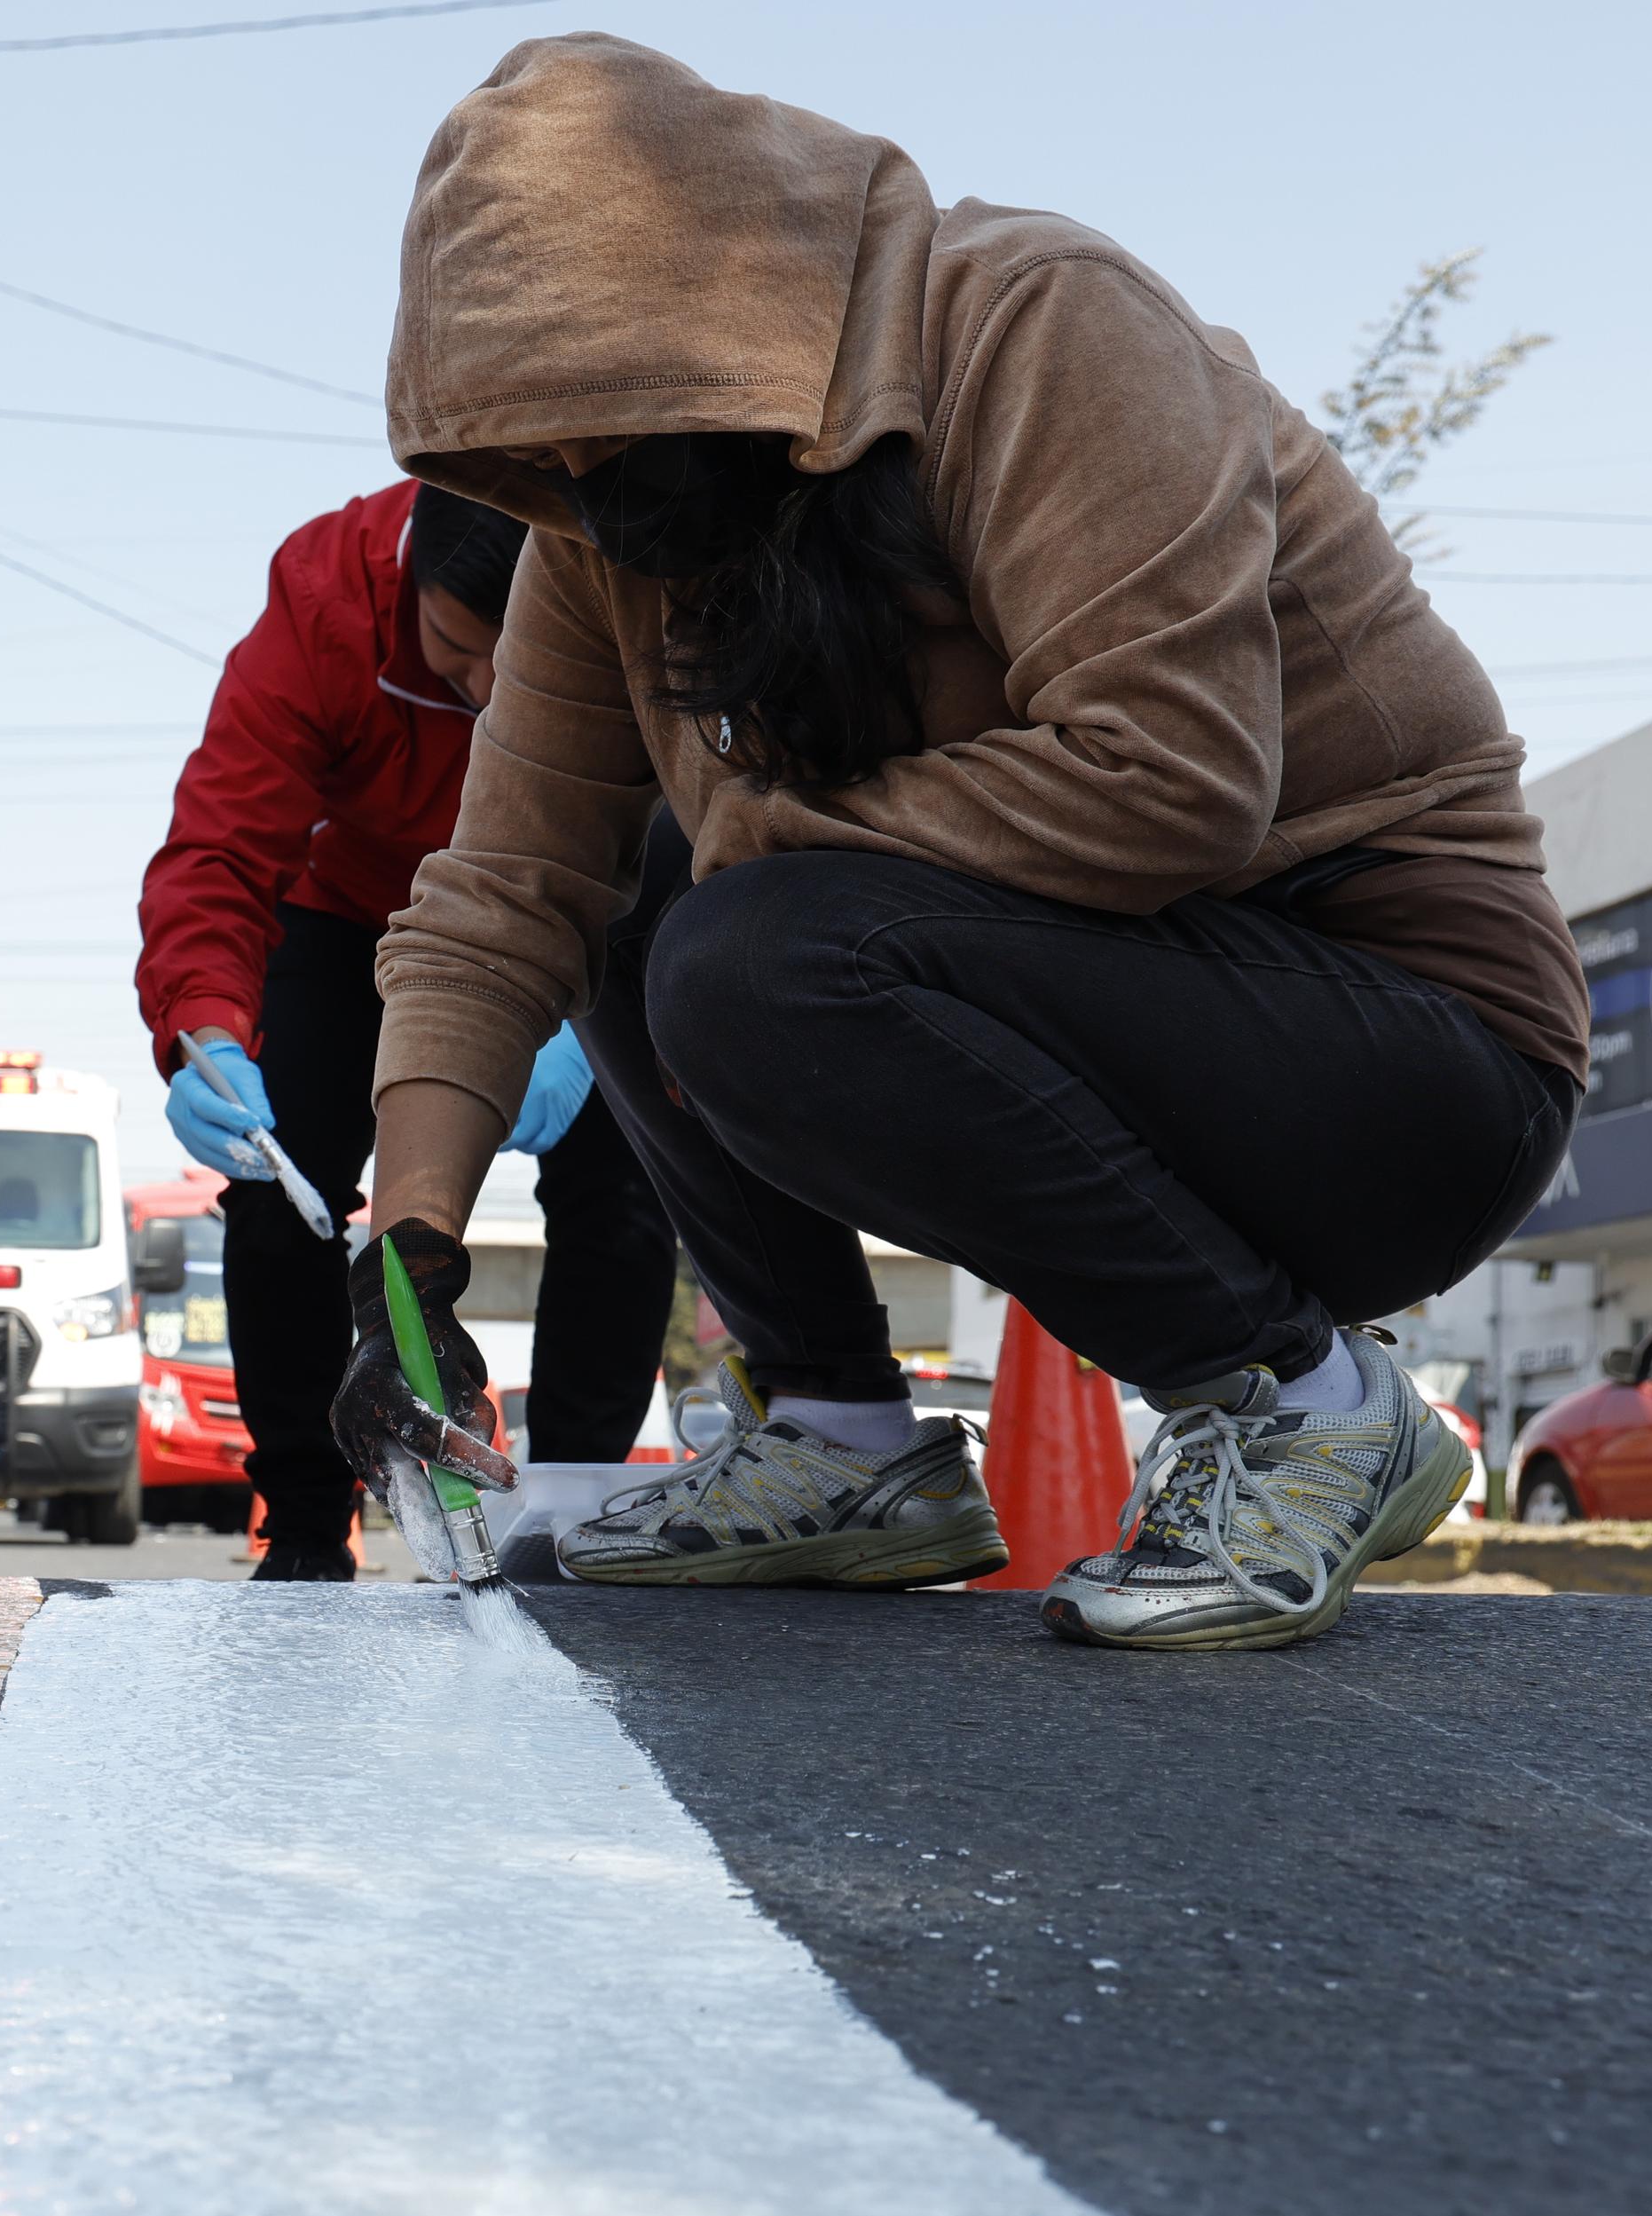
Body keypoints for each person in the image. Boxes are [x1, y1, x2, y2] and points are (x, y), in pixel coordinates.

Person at [346, 35, 1584, 1648]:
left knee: (747, 936)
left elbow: (1173, 775)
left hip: (1404, 1054)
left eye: (607, 429)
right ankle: (844, 1439)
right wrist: (410, 1242)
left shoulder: (1042, 325)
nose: (587, 489)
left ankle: (1310, 1399)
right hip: (1105, 1006)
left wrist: (762, 838)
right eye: (545, 454)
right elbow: (507, 888)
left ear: (717, 338)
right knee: (645, 899)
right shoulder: (609, 524)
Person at [138, 479, 674, 1580]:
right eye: (456, 655)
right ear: (406, 586)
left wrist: (582, 1021)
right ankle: (301, 1524)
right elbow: (220, 847)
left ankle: (567, 1508)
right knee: (283, 1174)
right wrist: (203, 1026)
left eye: (512, 667)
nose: (486, 697)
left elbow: (696, 817)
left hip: (571, 909)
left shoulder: (635, 584)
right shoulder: (324, 595)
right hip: (349, 917)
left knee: (628, 1171)